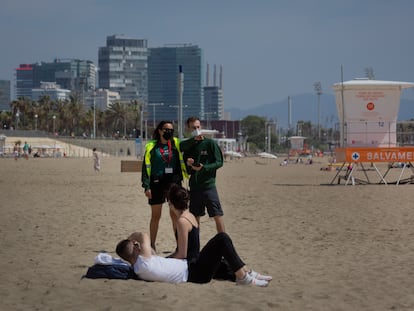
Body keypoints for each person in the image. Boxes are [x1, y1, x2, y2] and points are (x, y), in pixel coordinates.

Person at [166, 183, 272, 285]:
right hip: (196, 262)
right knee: (222, 249)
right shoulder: (190, 215)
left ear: (170, 203)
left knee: (222, 241)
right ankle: (247, 275)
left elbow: (182, 254)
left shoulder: (182, 221)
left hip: (193, 268)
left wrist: (164, 260)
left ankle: (245, 276)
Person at [115, 230, 272, 287]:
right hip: (193, 273)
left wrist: (132, 246)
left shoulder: (139, 266)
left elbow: (153, 252)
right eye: (136, 245)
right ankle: (244, 277)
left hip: (190, 267)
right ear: (135, 248)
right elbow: (143, 235)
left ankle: (248, 273)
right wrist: (130, 238)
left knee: (221, 263)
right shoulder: (143, 263)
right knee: (222, 239)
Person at [141, 121, 188, 250]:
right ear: (160, 131)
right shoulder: (152, 146)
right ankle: (152, 245)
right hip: (156, 183)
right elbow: (145, 167)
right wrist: (146, 186)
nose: (169, 132)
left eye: (171, 130)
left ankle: (180, 245)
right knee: (156, 216)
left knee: (175, 215)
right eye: (166, 129)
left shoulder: (176, 144)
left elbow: (190, 148)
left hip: (173, 183)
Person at [179, 117, 225, 233]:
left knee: (217, 215)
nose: (197, 129)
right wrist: (189, 164)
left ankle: (224, 242)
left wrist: (204, 168)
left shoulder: (210, 143)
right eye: (193, 127)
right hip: (194, 186)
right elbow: (181, 149)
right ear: (188, 129)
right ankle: (195, 246)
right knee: (195, 217)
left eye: (198, 127)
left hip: (209, 185)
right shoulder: (189, 145)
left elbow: (219, 162)